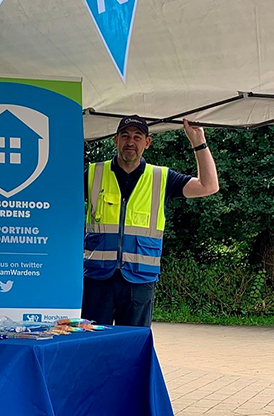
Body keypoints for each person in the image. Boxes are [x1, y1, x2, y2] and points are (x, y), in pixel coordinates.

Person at [83, 116, 219, 327]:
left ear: (147, 143)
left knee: (133, 347)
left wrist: (198, 141)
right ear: (115, 139)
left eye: (137, 137)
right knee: (91, 344)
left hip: (139, 281)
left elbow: (209, 185)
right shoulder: (93, 173)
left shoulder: (162, 178)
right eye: (125, 136)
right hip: (98, 278)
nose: (131, 142)